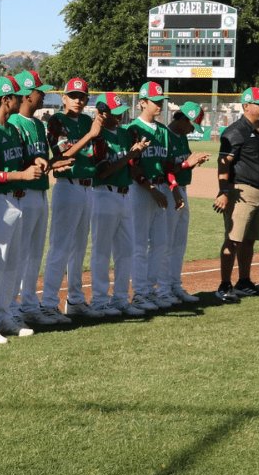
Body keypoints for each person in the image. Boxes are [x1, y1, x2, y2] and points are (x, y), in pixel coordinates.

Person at [0, 76, 43, 343]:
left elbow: (21, 161)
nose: (19, 98)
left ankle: (2, 315)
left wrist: (35, 160)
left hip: (15, 201)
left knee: (13, 263)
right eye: (15, 95)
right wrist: (21, 176)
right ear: (6, 100)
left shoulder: (11, 130)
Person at [7, 69, 72, 326]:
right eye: (38, 91)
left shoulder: (36, 123)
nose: (42, 95)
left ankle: (30, 304)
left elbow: (41, 159)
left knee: (34, 252)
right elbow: (17, 161)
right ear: (27, 94)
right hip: (22, 194)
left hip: (40, 191)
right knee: (19, 253)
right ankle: (11, 306)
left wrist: (54, 165)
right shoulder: (13, 123)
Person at [41, 77, 104, 318]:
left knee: (79, 248)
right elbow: (63, 154)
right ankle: (48, 302)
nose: (78, 100)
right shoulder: (57, 121)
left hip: (88, 188)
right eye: (73, 96)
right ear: (63, 98)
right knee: (60, 247)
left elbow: (96, 155)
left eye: (82, 96)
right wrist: (90, 136)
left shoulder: (88, 121)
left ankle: (75, 299)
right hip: (68, 187)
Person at [90, 93, 149, 317]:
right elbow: (103, 172)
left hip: (126, 195)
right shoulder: (98, 136)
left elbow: (133, 165)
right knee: (102, 251)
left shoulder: (126, 134)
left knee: (126, 251)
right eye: (114, 113)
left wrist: (137, 154)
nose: (119, 116)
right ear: (102, 113)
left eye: (120, 111)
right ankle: (99, 300)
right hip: (104, 195)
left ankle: (121, 297)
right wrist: (130, 156)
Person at [213, 88, 259, 303]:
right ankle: (224, 284)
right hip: (240, 191)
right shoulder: (236, 131)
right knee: (233, 239)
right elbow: (223, 164)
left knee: (249, 240)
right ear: (246, 106)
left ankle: (244, 281)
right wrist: (224, 191)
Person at [126, 82, 176, 311]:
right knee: (139, 243)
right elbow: (132, 166)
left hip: (161, 188)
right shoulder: (132, 130)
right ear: (142, 102)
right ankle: (140, 292)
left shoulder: (164, 131)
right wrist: (151, 189)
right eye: (155, 101)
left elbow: (167, 164)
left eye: (161, 101)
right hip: (141, 190)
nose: (159, 105)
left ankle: (155, 289)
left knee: (161, 243)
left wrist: (171, 188)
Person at [163, 102, 212, 302]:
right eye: (192, 124)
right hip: (169, 192)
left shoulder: (182, 137)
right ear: (183, 119)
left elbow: (180, 167)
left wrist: (191, 164)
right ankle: (163, 288)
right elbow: (164, 170)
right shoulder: (165, 136)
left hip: (182, 191)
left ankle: (175, 285)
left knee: (179, 243)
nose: (193, 129)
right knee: (165, 243)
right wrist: (186, 164)